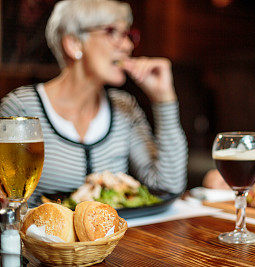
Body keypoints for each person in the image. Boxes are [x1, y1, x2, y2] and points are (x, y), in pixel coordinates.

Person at [0, 0, 187, 203]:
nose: (127, 45)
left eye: (127, 35)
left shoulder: (124, 107)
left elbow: (168, 186)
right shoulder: (21, 108)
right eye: (112, 32)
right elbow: (11, 201)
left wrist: (164, 99)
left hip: (110, 235)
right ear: (74, 44)